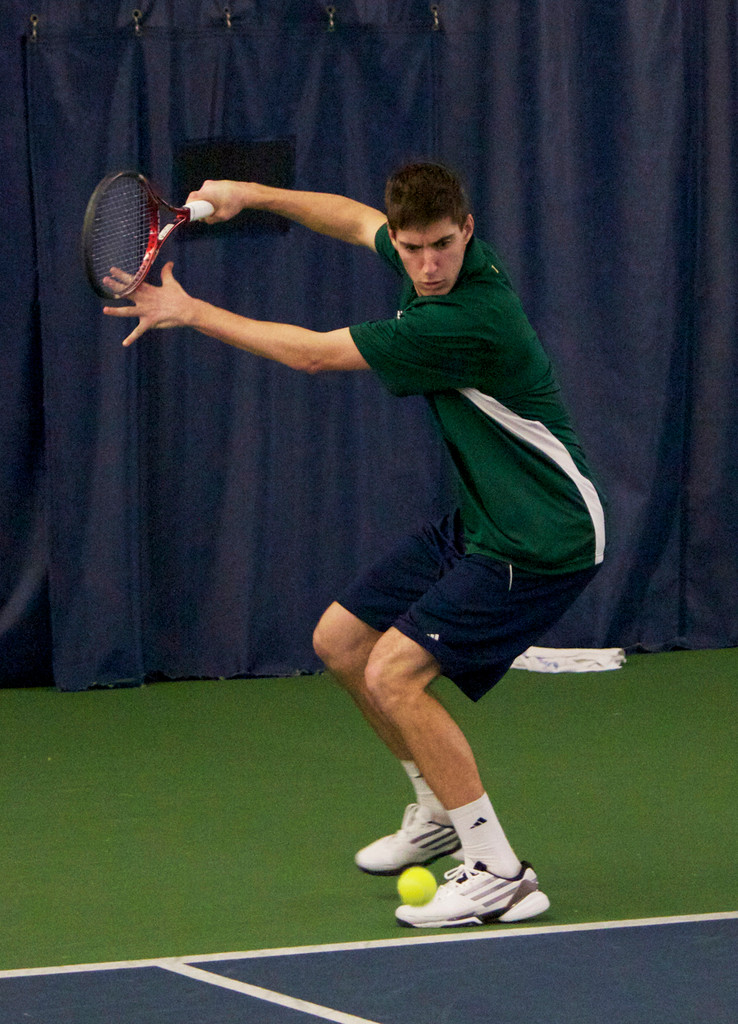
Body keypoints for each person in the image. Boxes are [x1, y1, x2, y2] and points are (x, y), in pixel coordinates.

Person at [103, 162, 606, 928]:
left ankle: (498, 871)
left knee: (396, 674)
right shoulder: (423, 259)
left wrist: (191, 311)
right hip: (483, 517)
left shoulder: (465, 317)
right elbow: (348, 217)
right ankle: (438, 809)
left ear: (468, 232)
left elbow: (309, 355)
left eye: (442, 246)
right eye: (412, 249)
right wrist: (253, 196)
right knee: (340, 641)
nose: (428, 265)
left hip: (542, 533)